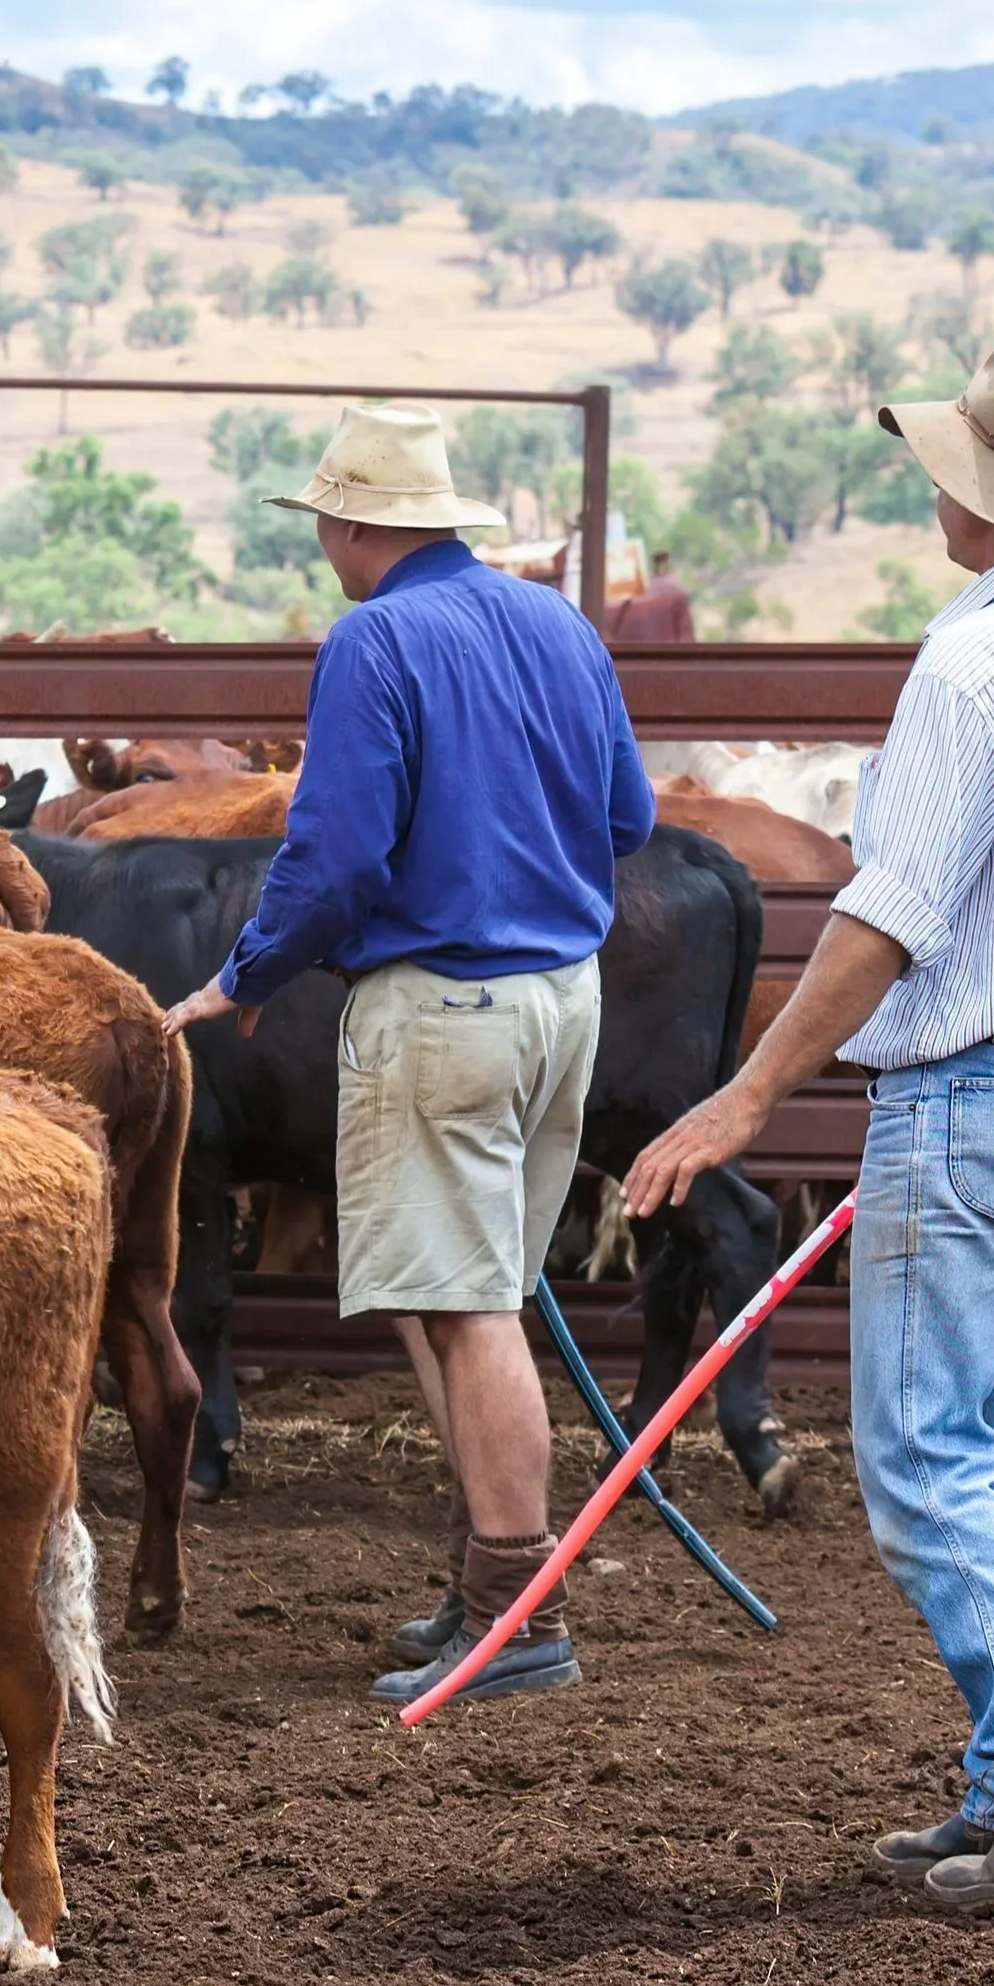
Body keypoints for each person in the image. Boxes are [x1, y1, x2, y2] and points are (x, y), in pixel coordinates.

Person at [624, 322, 994, 1916]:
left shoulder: (973, 658)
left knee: (922, 1451)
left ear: (982, 492)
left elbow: (891, 911)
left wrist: (746, 1093)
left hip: (973, 1088)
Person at [161, 401, 655, 1703]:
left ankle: (515, 1599)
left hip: (445, 1002)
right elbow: (630, 811)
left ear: (352, 523)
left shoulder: (374, 638)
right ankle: (486, 1580)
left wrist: (244, 974)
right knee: (460, 1291)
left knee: (467, 1299)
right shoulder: (559, 624)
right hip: (560, 997)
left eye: (324, 519)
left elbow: (332, 857)